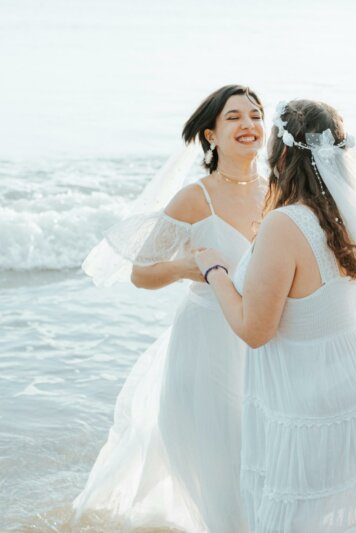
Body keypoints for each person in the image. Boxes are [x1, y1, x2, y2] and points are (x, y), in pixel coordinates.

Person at [194, 99, 356, 531]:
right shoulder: (345, 214)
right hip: (353, 382)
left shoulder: (285, 225)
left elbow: (255, 330)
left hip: (305, 396)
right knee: (351, 513)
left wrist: (215, 271)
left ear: (283, 155)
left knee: (300, 515)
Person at [73, 85, 266, 532]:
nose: (248, 125)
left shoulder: (277, 190)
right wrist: (188, 268)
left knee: (263, 458)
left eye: (255, 115)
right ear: (210, 134)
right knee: (224, 462)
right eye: (234, 117)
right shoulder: (195, 198)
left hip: (262, 340)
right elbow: (142, 272)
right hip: (207, 345)